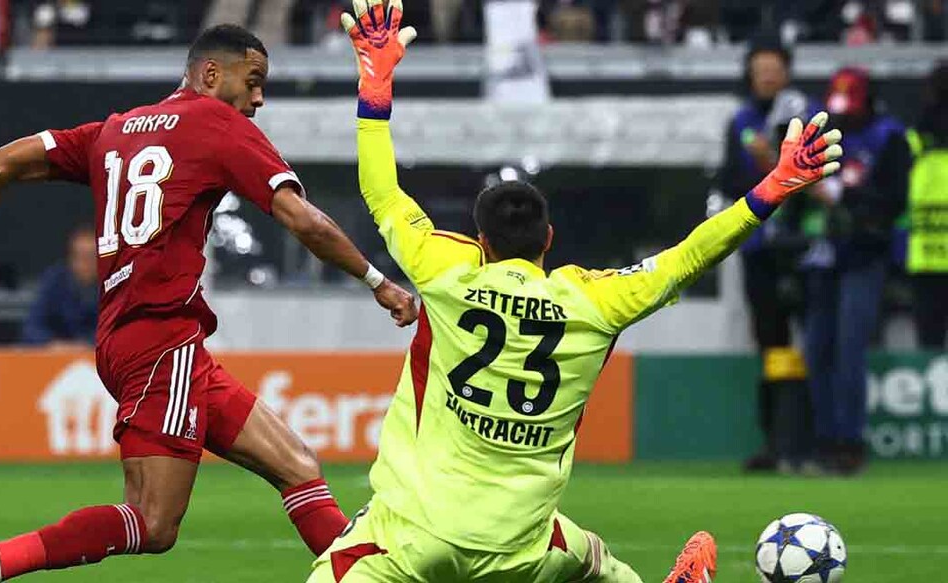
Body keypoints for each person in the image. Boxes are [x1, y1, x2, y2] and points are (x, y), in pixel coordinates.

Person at [307, 1, 842, 582]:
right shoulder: (593, 300)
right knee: (595, 561)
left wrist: (375, 81)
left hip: (411, 537)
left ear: (480, 240)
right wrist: (775, 186)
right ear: (550, 239)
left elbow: (381, 191)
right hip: (523, 549)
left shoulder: (446, 269)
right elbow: (693, 255)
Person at [0, 24, 418, 583]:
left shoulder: (112, 131)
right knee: (153, 522)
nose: (259, 97)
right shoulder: (216, 123)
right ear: (211, 74)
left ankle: (359, 579)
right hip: (163, 340)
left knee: (298, 466)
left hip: (135, 338)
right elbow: (298, 217)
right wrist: (378, 280)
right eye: (253, 81)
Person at [795, 67, 911, 475]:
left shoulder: (889, 137)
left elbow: (895, 200)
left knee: (849, 350)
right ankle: (824, 441)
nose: (845, 116)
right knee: (816, 350)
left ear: (869, 103)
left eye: (851, 108)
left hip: (865, 255)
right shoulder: (826, 134)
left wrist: (846, 195)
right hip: (823, 255)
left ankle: (849, 444)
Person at [718, 37, 815, 474]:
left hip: (807, 248)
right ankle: (776, 441)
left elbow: (817, 180)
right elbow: (729, 178)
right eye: (760, 69)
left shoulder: (805, 115)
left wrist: (775, 161)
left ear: (786, 72)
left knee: (814, 344)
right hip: (759, 248)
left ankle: (813, 441)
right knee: (771, 343)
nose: (767, 76)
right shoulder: (740, 120)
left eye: (773, 68)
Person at [905, 60, 948, 348]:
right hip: (925, 260)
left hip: (925, 259)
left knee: (929, 345)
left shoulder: (913, 139)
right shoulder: (914, 140)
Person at [20, 224, 98, 347]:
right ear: (71, 258)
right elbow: (32, 327)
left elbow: (118, 331)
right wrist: (52, 344)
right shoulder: (55, 280)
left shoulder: (114, 284)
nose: (87, 263)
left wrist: (88, 344)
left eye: (92, 257)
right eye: (81, 257)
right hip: (55, 356)